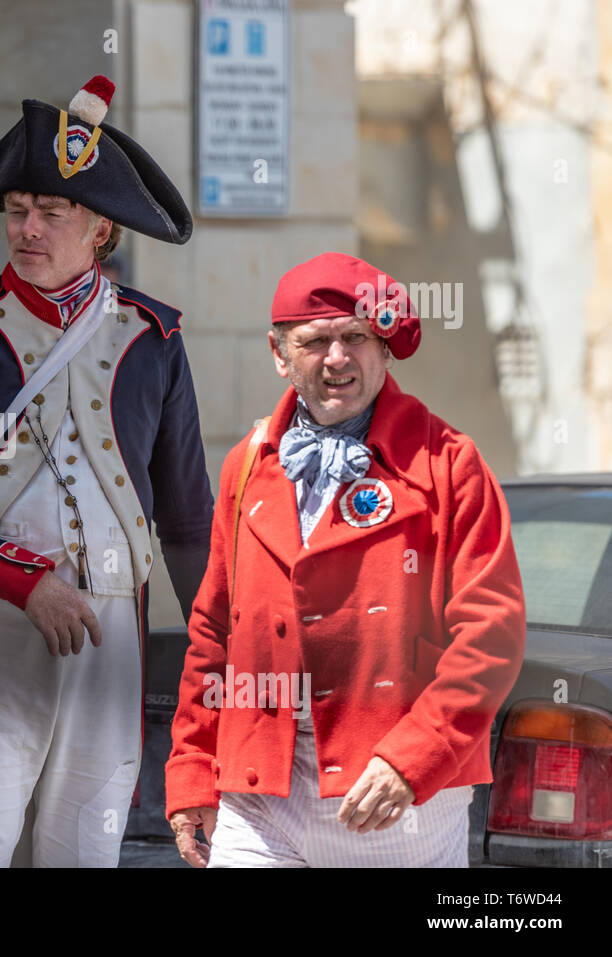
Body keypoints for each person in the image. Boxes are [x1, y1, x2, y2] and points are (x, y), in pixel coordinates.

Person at [0, 75, 213, 867]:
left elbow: (189, 522)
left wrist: (219, 656)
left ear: (99, 227)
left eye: (51, 212)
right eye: (17, 209)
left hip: (111, 637)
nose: (26, 229)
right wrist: (25, 581)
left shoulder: (153, 338)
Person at [165, 252, 527, 867]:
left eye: (356, 337)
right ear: (279, 355)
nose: (338, 358)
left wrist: (413, 759)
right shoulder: (246, 463)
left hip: (392, 793)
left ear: (383, 349)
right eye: (315, 342)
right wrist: (194, 767)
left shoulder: (450, 463)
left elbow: (491, 636)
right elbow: (213, 631)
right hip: (260, 786)